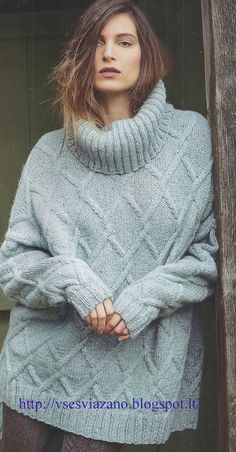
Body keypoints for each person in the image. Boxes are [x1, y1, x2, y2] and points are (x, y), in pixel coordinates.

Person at [0, 0, 219, 450]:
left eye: (124, 42)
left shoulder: (191, 139)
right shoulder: (49, 152)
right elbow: (13, 265)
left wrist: (143, 298)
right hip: (36, 367)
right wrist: (72, 279)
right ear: (82, 56)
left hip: (131, 378)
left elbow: (209, 254)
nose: (108, 54)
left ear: (147, 55)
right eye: (97, 43)